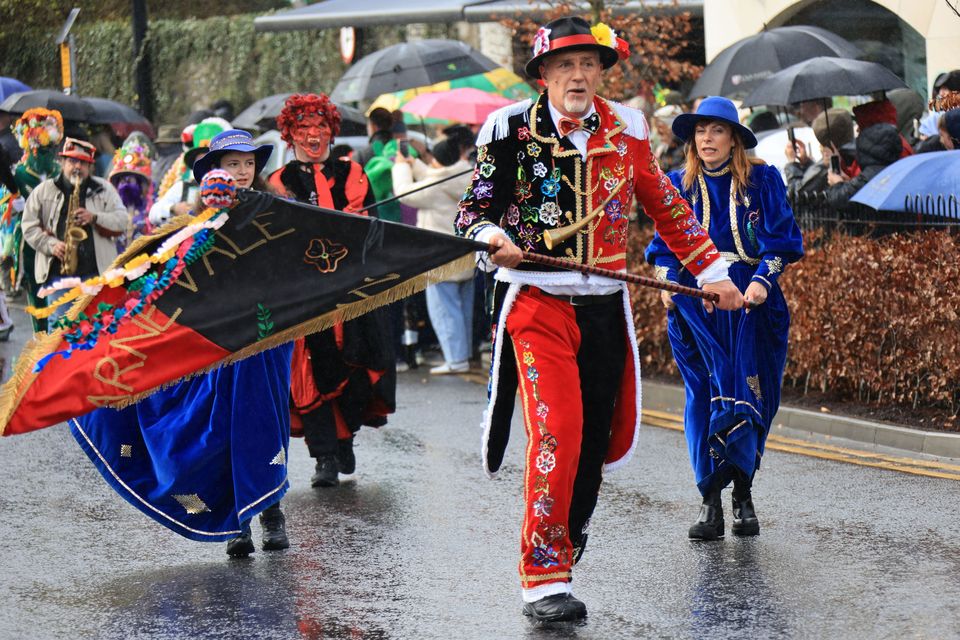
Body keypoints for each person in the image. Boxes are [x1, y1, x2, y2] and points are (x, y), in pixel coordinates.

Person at [455, 17, 742, 623]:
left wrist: (712, 272)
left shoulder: (628, 129)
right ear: (543, 75)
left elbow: (666, 207)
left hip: (606, 308)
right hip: (536, 304)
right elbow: (471, 213)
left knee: (593, 442)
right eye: (565, 65)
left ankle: (566, 533)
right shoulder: (507, 130)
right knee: (556, 429)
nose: (579, 75)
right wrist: (493, 237)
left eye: (589, 64)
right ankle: (543, 576)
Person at [71, 134, 293, 559]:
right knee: (222, 429)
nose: (243, 171)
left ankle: (272, 514)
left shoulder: (277, 210)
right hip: (218, 342)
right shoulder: (196, 221)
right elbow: (168, 274)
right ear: (215, 170)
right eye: (233, 163)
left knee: (264, 423)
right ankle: (237, 522)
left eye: (248, 163)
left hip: (266, 340)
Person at [646, 96, 803, 542]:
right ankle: (709, 499)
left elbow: (783, 242)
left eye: (716, 130)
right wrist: (667, 284)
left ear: (734, 138)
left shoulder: (764, 180)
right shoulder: (676, 184)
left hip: (753, 305)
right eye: (700, 131)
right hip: (697, 303)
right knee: (703, 396)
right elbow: (663, 248)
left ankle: (744, 494)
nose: (707, 138)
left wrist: (762, 280)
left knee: (752, 396)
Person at [267, 93, 396, 489]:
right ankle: (324, 454)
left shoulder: (353, 173)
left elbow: (372, 229)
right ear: (290, 135)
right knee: (308, 374)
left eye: (321, 127)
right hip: (306, 295)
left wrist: (355, 223)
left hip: (351, 289)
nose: (313, 135)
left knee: (357, 366)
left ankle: (346, 437)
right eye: (304, 128)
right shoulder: (278, 182)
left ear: (332, 131)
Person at [21, 137, 128, 327]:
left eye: (83, 163)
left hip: (97, 274)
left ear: (90, 167)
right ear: (62, 162)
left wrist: (95, 217)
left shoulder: (105, 190)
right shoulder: (44, 190)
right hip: (58, 275)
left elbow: (122, 221)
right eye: (72, 161)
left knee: (98, 329)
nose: (77, 167)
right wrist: (51, 245)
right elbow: (28, 226)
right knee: (59, 330)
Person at [392, 137, 475, 374]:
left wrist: (401, 165)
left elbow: (404, 193)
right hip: (464, 254)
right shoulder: (462, 175)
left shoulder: (436, 185)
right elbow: (435, 176)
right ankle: (464, 355)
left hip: (440, 259)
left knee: (444, 312)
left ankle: (456, 359)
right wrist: (416, 163)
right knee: (462, 310)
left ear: (438, 162)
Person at [149, 118, 229, 227]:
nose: (205, 165)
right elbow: (153, 213)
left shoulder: (234, 188)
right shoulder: (182, 187)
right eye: (200, 161)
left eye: (211, 159)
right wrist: (173, 208)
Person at [825, 122, 902, 213]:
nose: (857, 129)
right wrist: (848, 182)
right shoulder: (898, 169)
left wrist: (837, 184)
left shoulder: (871, 174)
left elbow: (840, 199)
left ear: (865, 146)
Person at [784, 108, 854, 198]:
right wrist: (807, 163)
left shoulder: (828, 164)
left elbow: (797, 193)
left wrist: (791, 163)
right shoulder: (859, 153)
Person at [108, 133, 156, 252]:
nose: (126, 183)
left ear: (142, 183)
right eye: (123, 179)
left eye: (131, 179)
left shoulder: (153, 207)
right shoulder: (109, 206)